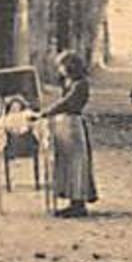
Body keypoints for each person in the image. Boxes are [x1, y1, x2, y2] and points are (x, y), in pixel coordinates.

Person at [42, 51, 97, 218]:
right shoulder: (71, 83)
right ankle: (73, 201)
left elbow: (66, 103)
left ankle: (78, 204)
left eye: (62, 66)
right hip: (65, 124)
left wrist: (46, 112)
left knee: (76, 164)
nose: (60, 70)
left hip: (73, 125)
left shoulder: (80, 85)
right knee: (67, 163)